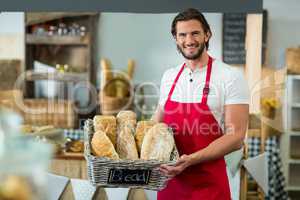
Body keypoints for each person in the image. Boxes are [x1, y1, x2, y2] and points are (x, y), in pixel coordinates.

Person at [152, 8, 249, 200]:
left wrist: (191, 160)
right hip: (170, 182)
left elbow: (236, 136)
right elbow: (156, 125)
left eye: (195, 33)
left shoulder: (229, 76)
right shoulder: (169, 76)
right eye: (182, 35)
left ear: (207, 34)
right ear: (176, 38)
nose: (189, 40)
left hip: (209, 185)